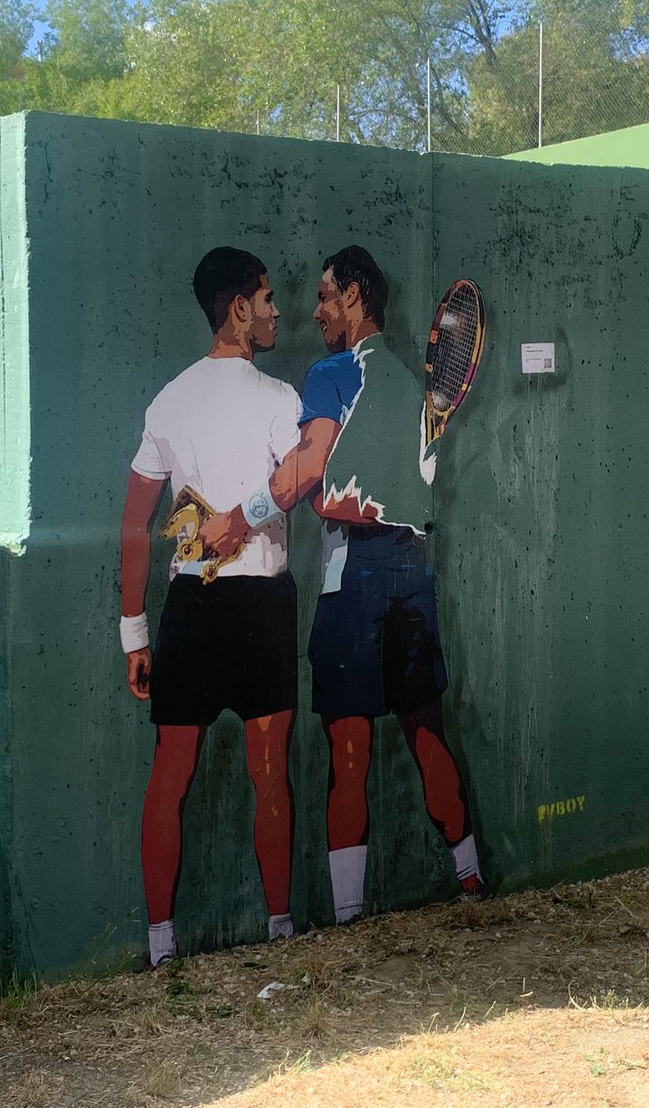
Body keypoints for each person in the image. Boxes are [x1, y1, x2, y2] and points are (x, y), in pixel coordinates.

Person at [201, 245, 482, 926]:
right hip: (413, 566)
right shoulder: (415, 381)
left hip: (351, 573)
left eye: (326, 297)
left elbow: (303, 474)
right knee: (427, 734)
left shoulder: (333, 371)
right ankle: (473, 885)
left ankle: (350, 921)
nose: (317, 311)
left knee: (347, 747)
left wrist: (240, 519)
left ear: (355, 296)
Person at [119, 247, 301, 967]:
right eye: (266, 298)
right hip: (256, 602)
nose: (276, 310)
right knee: (267, 771)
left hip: (193, 606)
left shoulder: (169, 401)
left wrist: (134, 630)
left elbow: (136, 524)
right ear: (238, 309)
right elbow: (296, 485)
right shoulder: (280, 402)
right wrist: (246, 517)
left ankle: (165, 945)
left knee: (174, 774)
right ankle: (277, 930)